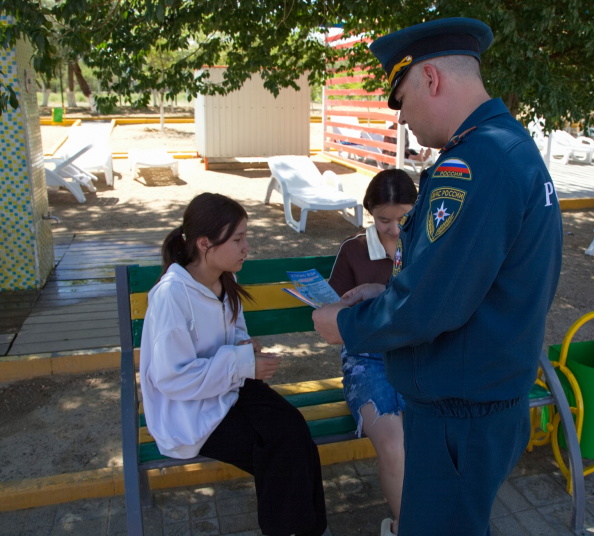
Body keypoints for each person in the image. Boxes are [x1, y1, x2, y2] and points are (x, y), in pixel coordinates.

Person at [312, 17, 563, 536]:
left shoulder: (475, 163)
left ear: (431, 78)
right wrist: (388, 290)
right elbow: (468, 282)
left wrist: (347, 324)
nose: (401, 119)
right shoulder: (506, 146)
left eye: (400, 101)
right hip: (478, 399)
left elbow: (430, 305)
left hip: (459, 412)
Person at [139, 193, 329, 536]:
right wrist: (241, 362)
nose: (247, 247)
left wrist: (245, 348)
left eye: (246, 237)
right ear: (204, 243)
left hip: (230, 387)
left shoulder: (225, 279)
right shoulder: (173, 295)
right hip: (190, 409)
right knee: (279, 450)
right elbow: (171, 378)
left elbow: (235, 332)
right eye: (238, 239)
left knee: (294, 430)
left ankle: (308, 529)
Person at [327, 169, 418, 536]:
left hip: (416, 357)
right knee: (395, 445)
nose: (395, 229)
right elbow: (334, 323)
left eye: (404, 218)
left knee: (435, 437)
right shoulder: (354, 250)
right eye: (384, 220)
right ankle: (405, 527)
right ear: (369, 213)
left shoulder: (427, 245)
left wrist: (380, 293)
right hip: (367, 362)